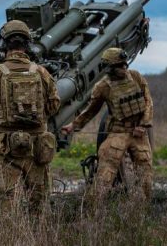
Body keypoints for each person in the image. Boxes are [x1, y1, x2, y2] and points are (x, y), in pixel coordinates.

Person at [0, 20, 60, 214]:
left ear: (4, 44)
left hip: (5, 150)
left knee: (5, 207)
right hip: (36, 150)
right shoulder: (42, 73)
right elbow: (54, 105)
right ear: (27, 44)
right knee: (39, 208)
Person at [61, 47, 154, 204]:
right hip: (117, 133)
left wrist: (143, 125)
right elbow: (91, 111)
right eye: (119, 66)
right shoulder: (103, 86)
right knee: (104, 177)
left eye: (125, 65)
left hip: (139, 134)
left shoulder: (137, 77)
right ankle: (93, 214)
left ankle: (141, 213)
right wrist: (73, 126)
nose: (124, 68)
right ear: (110, 68)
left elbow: (148, 102)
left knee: (145, 176)